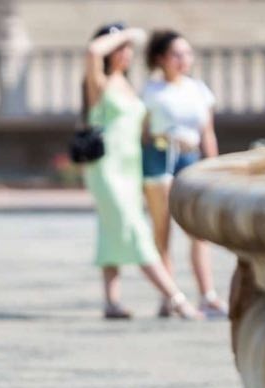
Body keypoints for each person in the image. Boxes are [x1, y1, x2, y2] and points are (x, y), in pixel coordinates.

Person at [82, 23, 200, 320]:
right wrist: (126, 33)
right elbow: (92, 51)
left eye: (129, 49)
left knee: (111, 231)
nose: (126, 53)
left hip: (131, 167)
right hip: (106, 168)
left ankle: (111, 302)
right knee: (135, 230)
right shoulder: (99, 82)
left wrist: (171, 139)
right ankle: (176, 298)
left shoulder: (130, 85)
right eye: (120, 49)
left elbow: (145, 130)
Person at [141, 30, 228, 319]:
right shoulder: (150, 91)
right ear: (161, 58)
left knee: (197, 231)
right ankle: (170, 296)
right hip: (160, 157)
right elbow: (142, 132)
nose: (183, 60)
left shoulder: (197, 89)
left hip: (190, 158)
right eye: (177, 54)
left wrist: (213, 168)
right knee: (162, 230)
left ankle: (208, 294)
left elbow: (207, 132)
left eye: (187, 54)